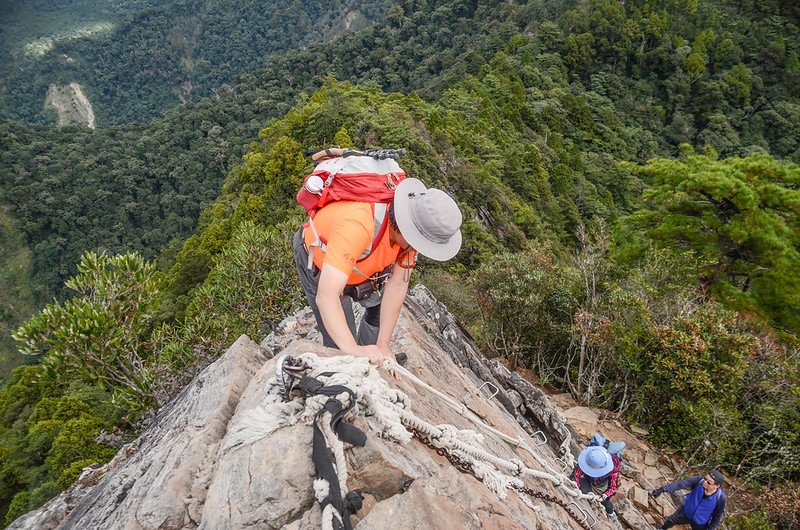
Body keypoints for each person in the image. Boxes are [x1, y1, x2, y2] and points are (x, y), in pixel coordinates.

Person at [293, 176, 462, 367]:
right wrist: (352, 349)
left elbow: (398, 283)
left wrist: (383, 344)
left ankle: (372, 354)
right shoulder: (358, 225)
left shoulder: (407, 233)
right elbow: (327, 297)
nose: (421, 249)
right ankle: (353, 358)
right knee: (341, 348)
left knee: (378, 311)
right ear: (408, 231)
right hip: (321, 263)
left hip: (362, 267)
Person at [650, 470, 727, 530]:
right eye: (705, 479)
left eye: (709, 482)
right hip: (685, 511)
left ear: (717, 486)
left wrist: (710, 528)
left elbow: (717, 516)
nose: (705, 482)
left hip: (700, 522)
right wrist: (663, 489)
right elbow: (681, 484)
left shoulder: (720, 498)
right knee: (670, 521)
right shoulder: (698, 481)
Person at [574, 445, 622, 522]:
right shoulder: (589, 458)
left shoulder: (613, 470)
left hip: (601, 487)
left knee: (607, 504)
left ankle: (612, 515)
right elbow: (576, 474)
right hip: (588, 481)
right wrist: (576, 485)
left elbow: (613, 487)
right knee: (583, 489)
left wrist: (604, 496)